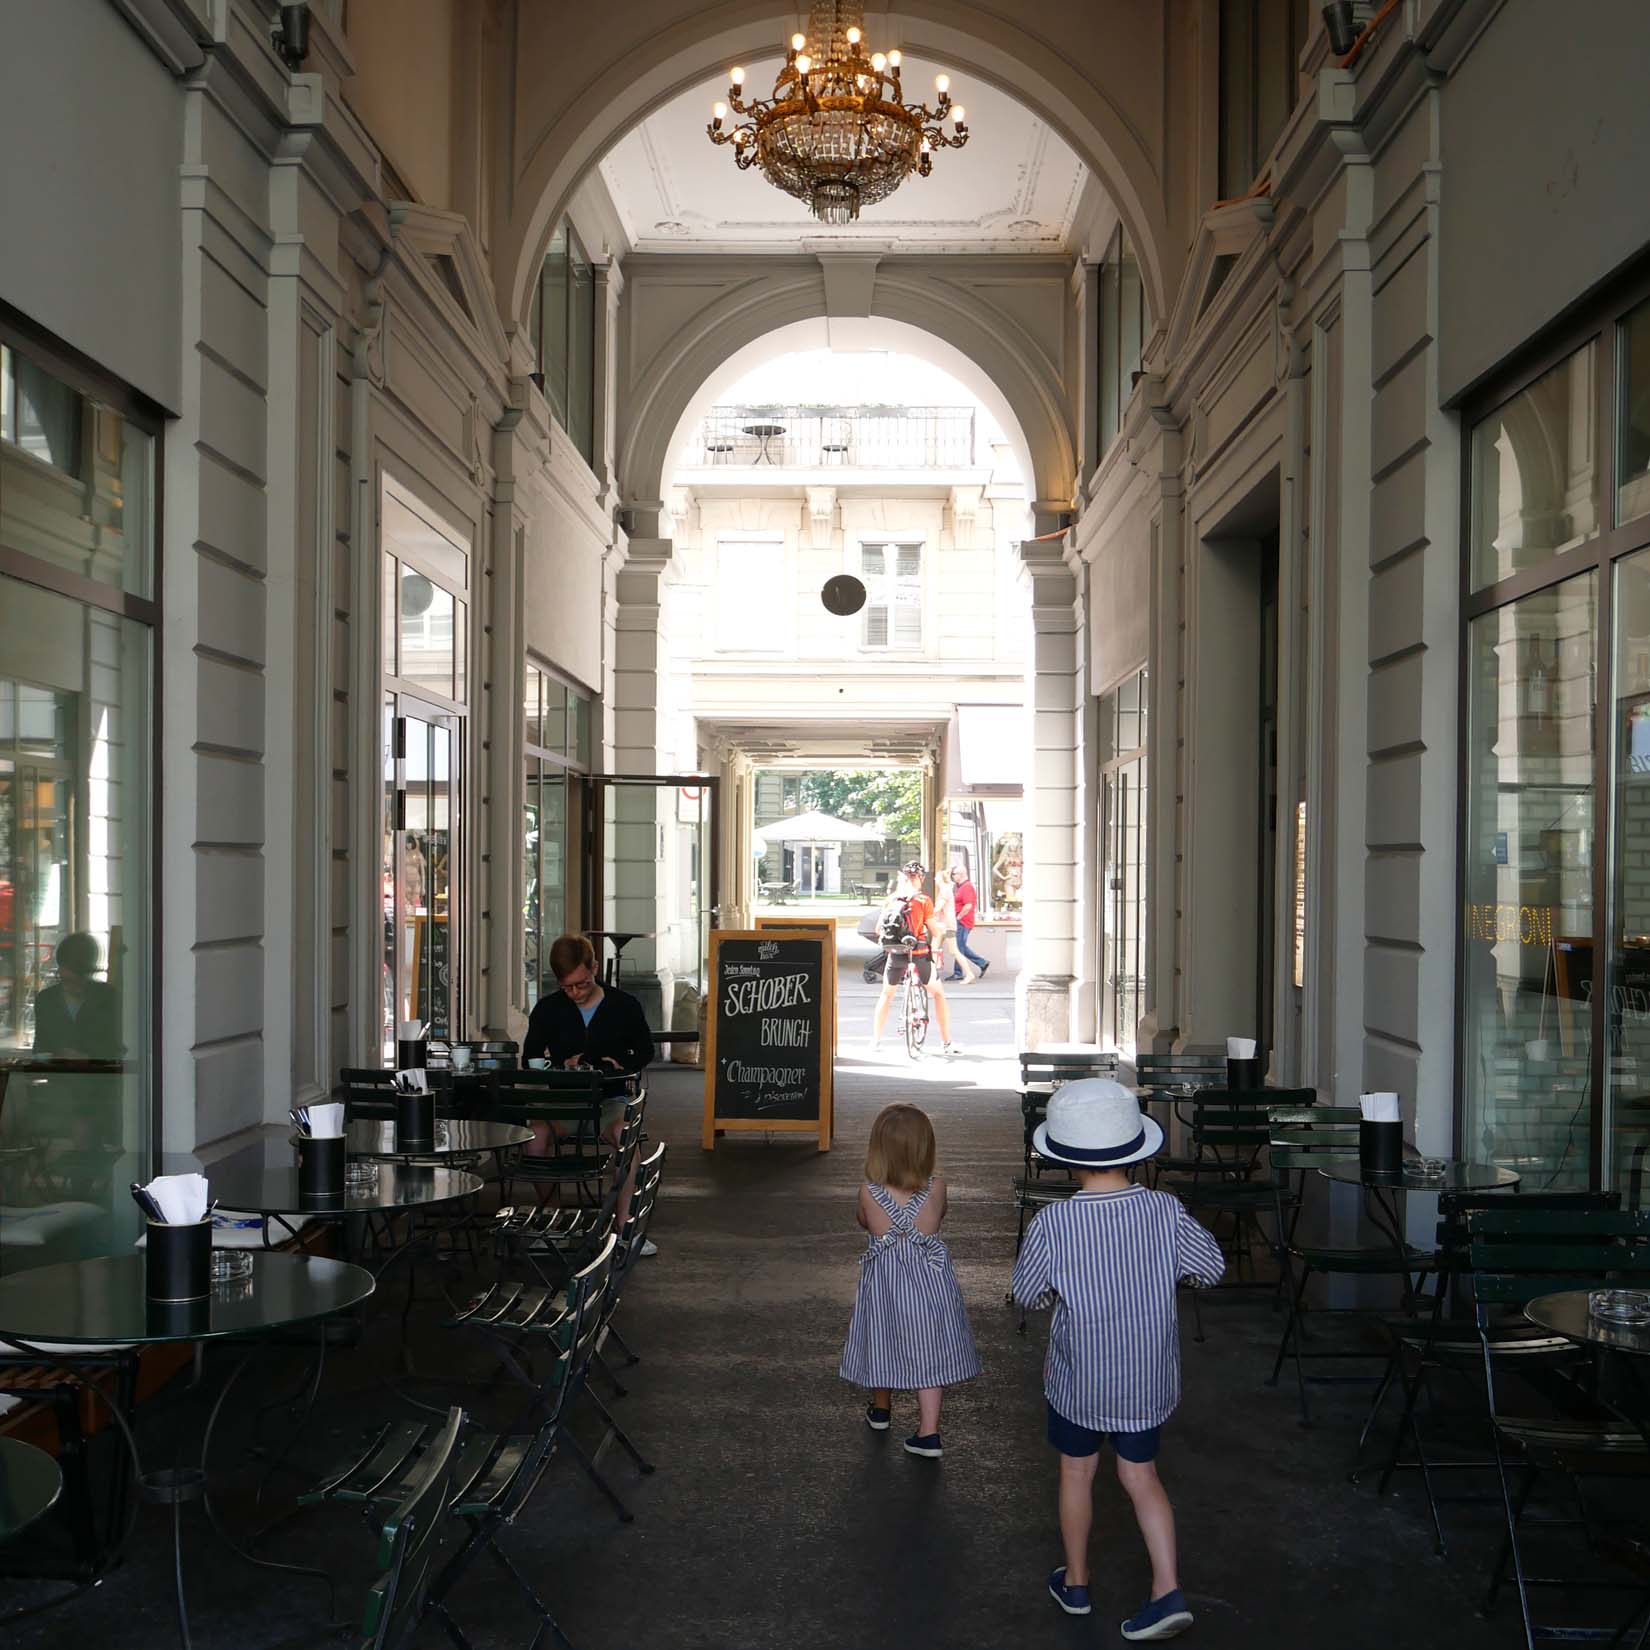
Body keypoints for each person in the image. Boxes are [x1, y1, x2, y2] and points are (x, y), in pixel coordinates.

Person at [1011, 1080, 1225, 1640]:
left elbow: (1028, 1294)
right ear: (1134, 1149)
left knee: (1077, 1472)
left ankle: (1077, 1582)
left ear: (1062, 1157)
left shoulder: (1053, 1225)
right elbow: (1212, 1267)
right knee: (1141, 1476)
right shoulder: (1164, 1212)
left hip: (1079, 1380)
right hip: (1146, 1380)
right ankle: (1167, 1589)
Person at [840, 1103, 979, 1457]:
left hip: (886, 1282)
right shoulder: (937, 1187)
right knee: (928, 1348)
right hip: (930, 1281)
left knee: (882, 1337)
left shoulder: (869, 1192)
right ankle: (928, 1431)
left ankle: (881, 1409)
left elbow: (864, 1222)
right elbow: (939, 1217)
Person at [522, 933, 655, 1249]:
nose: (575, 993)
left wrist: (619, 1064)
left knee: (626, 1136)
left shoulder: (624, 1005)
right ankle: (554, 1220)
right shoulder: (548, 1009)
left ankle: (625, 1230)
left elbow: (645, 1051)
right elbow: (530, 1058)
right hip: (563, 1102)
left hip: (609, 1098)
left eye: (581, 983)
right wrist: (558, 1065)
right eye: (567, 987)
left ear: (595, 967)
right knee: (535, 1139)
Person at [871, 861, 958, 1055]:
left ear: (903, 877)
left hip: (895, 953)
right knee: (938, 994)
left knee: (886, 995)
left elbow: (878, 930)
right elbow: (934, 932)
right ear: (920, 878)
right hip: (918, 954)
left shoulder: (891, 900)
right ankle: (946, 1043)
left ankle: (875, 1041)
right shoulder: (923, 901)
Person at [32, 931, 122, 1059]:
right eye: (67, 981)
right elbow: (40, 1046)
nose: (74, 988)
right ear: (60, 968)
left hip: (100, 1076)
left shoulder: (108, 997)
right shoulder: (46, 999)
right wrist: (54, 1056)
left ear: (90, 972)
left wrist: (88, 1058)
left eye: (80, 981)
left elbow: (117, 1048)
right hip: (58, 1076)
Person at [946, 864, 989, 982]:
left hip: (963, 922)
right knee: (961, 946)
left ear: (961, 874)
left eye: (954, 874)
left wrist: (958, 917)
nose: (952, 877)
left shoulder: (967, 887)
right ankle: (982, 963)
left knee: (958, 948)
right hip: (962, 921)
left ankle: (958, 973)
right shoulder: (961, 887)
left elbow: (968, 905)